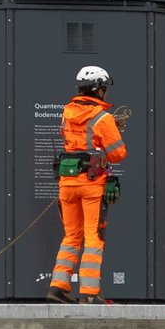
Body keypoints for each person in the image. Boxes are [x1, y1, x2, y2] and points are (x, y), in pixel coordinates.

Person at [47, 65, 127, 303]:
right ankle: (90, 294)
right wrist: (113, 131)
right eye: (104, 89)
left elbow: (74, 141)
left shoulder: (66, 112)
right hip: (91, 184)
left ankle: (58, 287)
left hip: (67, 183)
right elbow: (118, 154)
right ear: (99, 89)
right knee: (93, 236)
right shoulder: (103, 118)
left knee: (71, 235)